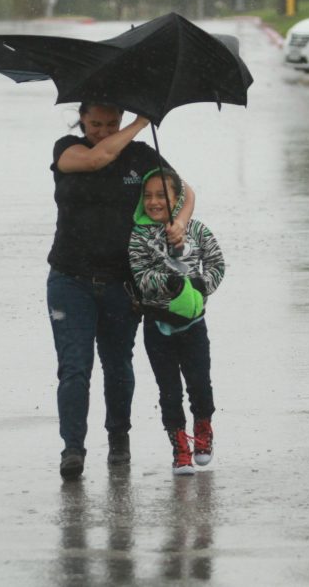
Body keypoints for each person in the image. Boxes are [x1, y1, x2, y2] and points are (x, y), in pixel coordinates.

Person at [49, 102, 195, 481]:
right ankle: (73, 448)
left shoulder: (141, 157)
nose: (103, 129)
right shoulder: (67, 148)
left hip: (122, 281)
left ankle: (118, 439)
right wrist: (139, 122)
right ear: (81, 119)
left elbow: (184, 191)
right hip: (70, 279)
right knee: (74, 368)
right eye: (95, 123)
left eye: (110, 122)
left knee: (118, 365)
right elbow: (98, 158)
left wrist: (178, 221)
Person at [128, 168, 224, 475]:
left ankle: (203, 430)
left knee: (200, 383)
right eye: (148, 196)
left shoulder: (196, 229)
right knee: (168, 390)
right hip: (157, 326)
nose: (154, 202)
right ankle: (179, 448)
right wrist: (168, 282)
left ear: (178, 198)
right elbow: (140, 277)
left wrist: (200, 284)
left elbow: (217, 263)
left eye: (162, 195)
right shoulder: (139, 235)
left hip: (194, 326)